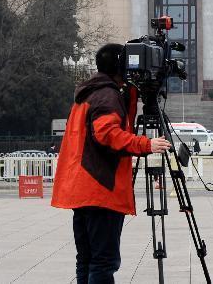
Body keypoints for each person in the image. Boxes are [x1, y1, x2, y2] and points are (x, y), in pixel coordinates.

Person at [51, 43, 171, 284]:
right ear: (120, 66)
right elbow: (106, 133)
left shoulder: (91, 92)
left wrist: (133, 93)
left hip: (82, 188)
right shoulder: (107, 95)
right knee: (104, 262)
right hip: (99, 188)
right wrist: (145, 144)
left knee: (86, 260)